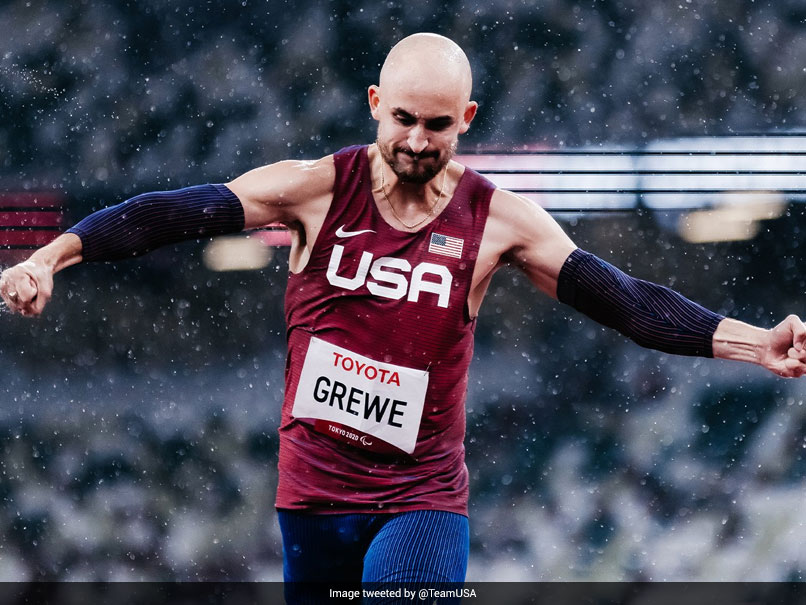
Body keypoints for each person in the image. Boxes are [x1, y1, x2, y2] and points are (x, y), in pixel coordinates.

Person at [1, 32, 805, 599]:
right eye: (405, 120)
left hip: (420, 497)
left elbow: (625, 300)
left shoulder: (500, 221)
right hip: (311, 498)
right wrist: (50, 257)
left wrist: (753, 345)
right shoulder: (317, 188)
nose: (419, 141)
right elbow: (168, 214)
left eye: (440, 125)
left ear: (468, 119)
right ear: (377, 105)